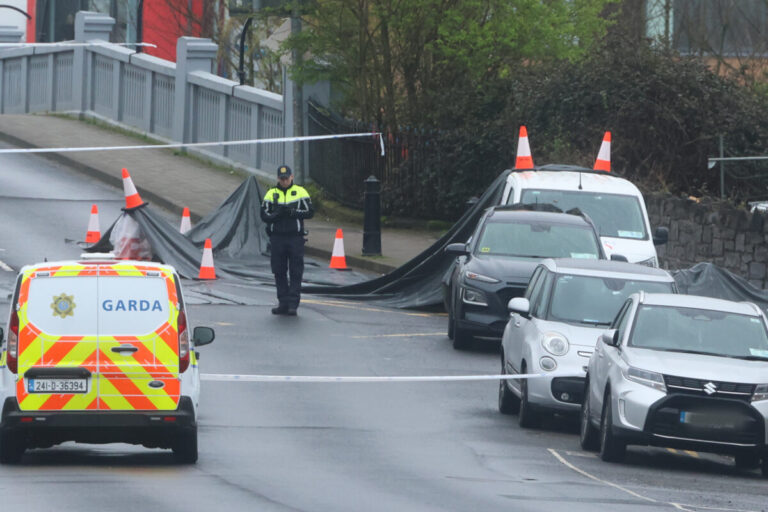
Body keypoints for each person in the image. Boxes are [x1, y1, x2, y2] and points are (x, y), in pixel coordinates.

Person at [260, 165, 314, 315]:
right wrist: (277, 215)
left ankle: (293, 304)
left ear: (292, 177)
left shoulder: (300, 192)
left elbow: (310, 212)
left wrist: (292, 212)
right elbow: (264, 215)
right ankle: (283, 302)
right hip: (277, 237)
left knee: (296, 271)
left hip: (295, 237)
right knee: (279, 271)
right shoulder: (271, 193)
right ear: (278, 178)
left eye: (287, 178)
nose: (284, 181)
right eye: (282, 179)